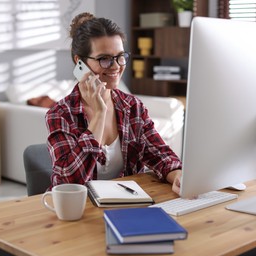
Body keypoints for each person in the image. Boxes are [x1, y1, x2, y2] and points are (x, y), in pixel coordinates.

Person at [45, 12, 182, 195]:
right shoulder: (60, 114)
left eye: (120, 56)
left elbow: (161, 155)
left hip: (129, 207)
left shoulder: (133, 107)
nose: (116, 66)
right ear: (80, 63)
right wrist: (100, 113)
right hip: (79, 211)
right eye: (105, 58)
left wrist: (178, 175)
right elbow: (68, 182)